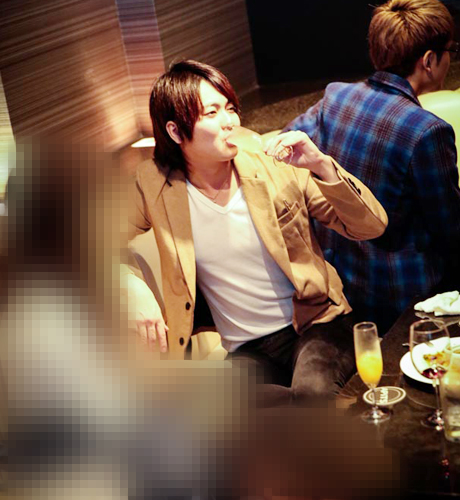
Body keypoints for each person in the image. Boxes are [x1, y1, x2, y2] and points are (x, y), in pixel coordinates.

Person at [124, 59, 387, 405]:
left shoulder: (273, 162)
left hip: (316, 325)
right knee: (212, 412)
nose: (230, 121)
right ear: (175, 132)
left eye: (230, 108)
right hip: (247, 350)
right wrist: (130, 285)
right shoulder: (154, 184)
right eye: (212, 112)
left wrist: (321, 165)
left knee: (311, 396)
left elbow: (370, 226)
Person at [283, 0, 460, 334]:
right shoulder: (427, 131)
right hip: (404, 298)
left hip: (341, 283)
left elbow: (281, 145)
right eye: (450, 50)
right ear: (428, 61)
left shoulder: (336, 97)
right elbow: (450, 229)